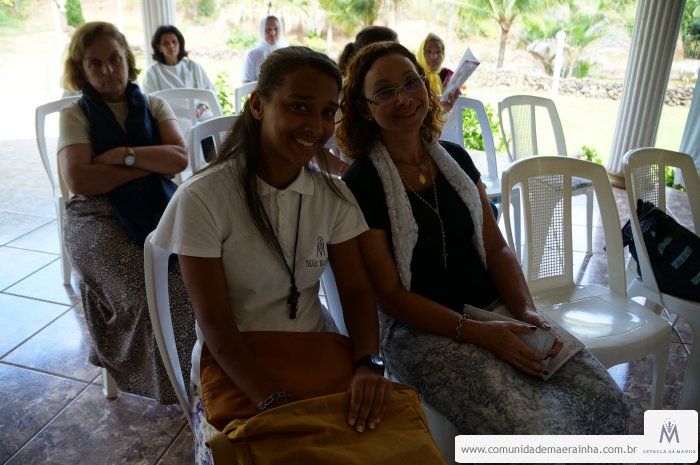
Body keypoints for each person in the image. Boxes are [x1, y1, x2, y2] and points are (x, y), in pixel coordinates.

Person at [338, 41, 630, 434]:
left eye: (410, 83)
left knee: (606, 398)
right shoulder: (363, 182)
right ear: (364, 108)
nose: (403, 98)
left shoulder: (456, 160)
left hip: (494, 308)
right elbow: (390, 296)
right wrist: (480, 334)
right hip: (420, 331)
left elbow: (496, 248)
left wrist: (527, 312)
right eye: (386, 92)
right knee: (532, 430)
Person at [153, 46, 393, 462]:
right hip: (236, 365)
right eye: (299, 106)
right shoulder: (205, 198)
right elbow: (215, 321)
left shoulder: (332, 197)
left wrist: (368, 362)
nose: (315, 126)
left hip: (315, 353)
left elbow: (356, 291)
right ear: (258, 105)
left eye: (327, 112)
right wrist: (271, 399)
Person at [57, 21, 195, 404]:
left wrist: (122, 155)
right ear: (81, 69)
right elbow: (80, 180)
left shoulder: (154, 104)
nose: (108, 70)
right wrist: (148, 164)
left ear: (126, 59)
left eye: (114, 59)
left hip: (156, 203)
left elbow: (179, 158)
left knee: (201, 278)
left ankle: (202, 373)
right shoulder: (75, 114)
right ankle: (173, 385)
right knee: (148, 293)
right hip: (94, 214)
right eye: (95, 63)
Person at [141, 24, 216, 120]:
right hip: (168, 120)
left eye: (174, 42)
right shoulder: (152, 73)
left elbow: (210, 91)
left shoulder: (193, 66)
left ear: (180, 44)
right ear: (159, 47)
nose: (171, 46)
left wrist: (201, 108)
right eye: (166, 43)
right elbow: (150, 102)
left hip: (198, 117)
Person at [417, 33, 460, 113]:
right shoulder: (414, 77)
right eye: (428, 52)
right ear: (421, 53)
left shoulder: (447, 75)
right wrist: (440, 110)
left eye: (438, 52)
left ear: (443, 54)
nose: (434, 57)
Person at [241, 15, 287, 84]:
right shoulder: (253, 54)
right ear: (262, 31)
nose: (273, 33)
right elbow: (246, 81)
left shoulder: (287, 52)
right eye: (268, 29)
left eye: (276, 29)